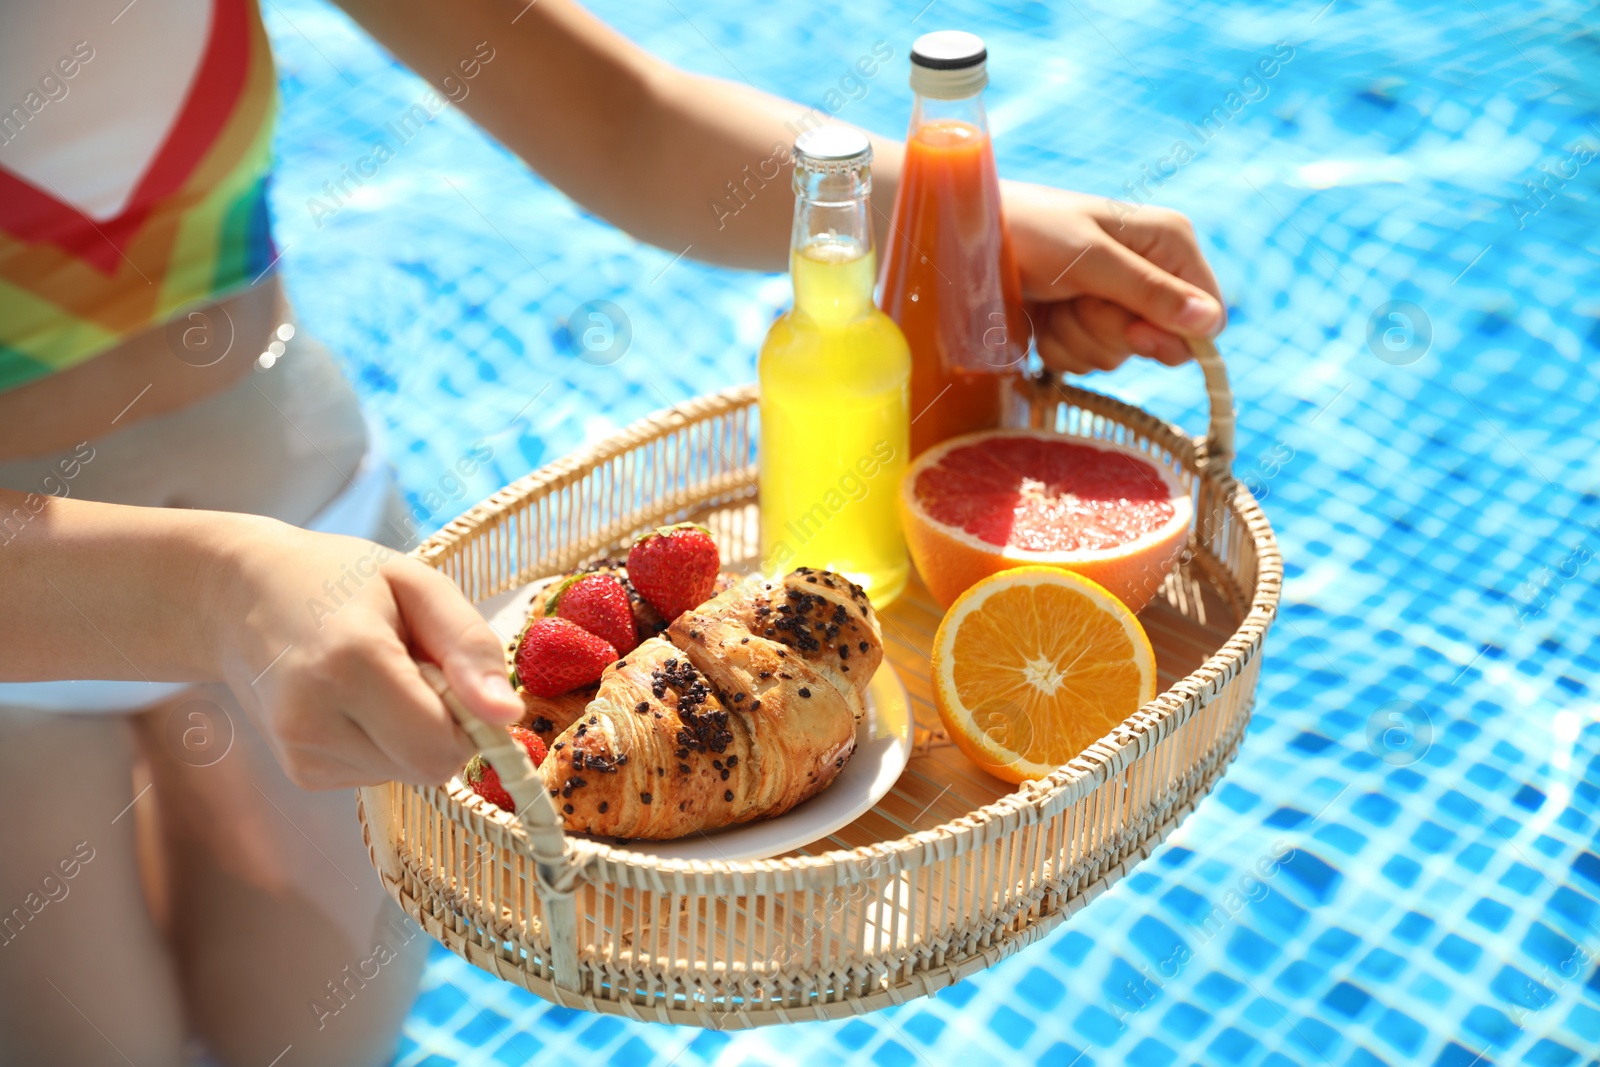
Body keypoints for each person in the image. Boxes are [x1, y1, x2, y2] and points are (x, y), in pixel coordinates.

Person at [0, 1, 1226, 1064]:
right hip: (40, 639)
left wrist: (974, 223)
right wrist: (214, 589)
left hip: (312, 534)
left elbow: (621, 119)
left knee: (323, 1030)